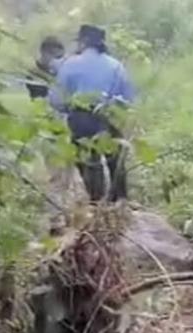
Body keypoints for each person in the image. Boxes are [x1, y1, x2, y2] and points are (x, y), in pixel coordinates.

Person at [49, 25, 136, 202]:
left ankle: (95, 202)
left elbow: (56, 100)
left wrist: (68, 109)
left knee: (88, 162)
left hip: (80, 118)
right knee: (115, 160)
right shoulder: (116, 66)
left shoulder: (70, 64)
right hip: (109, 116)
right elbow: (128, 98)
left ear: (83, 42)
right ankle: (120, 201)